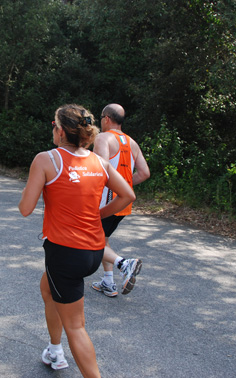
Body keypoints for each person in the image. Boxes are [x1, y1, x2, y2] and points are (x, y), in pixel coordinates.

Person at [19, 104, 135, 378]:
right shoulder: (99, 162)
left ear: (61, 131)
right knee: (47, 289)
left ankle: (74, 362)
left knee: (76, 326)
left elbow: (25, 208)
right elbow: (127, 194)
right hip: (93, 252)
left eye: (54, 124)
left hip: (65, 254)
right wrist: (98, 215)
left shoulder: (46, 159)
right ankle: (54, 350)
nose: (52, 128)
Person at [91, 103, 151, 297]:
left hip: (104, 202)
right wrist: (124, 186)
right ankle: (108, 282)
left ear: (106, 118)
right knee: (102, 239)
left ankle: (124, 264)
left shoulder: (103, 138)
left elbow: (100, 169)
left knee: (88, 240)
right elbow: (144, 173)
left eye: (101, 118)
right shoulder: (132, 142)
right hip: (123, 204)